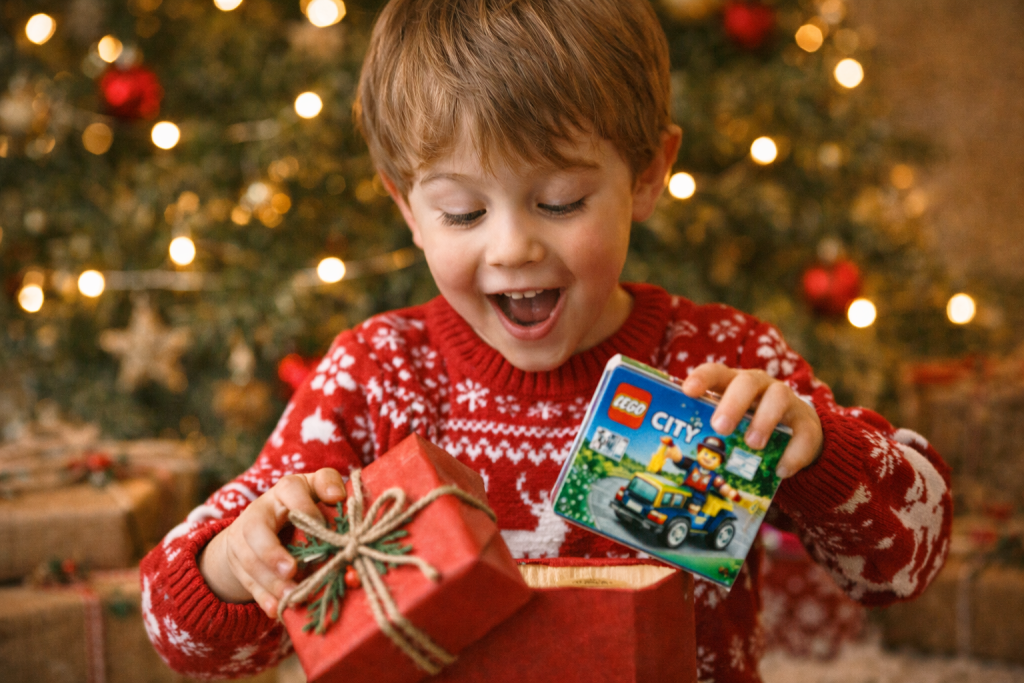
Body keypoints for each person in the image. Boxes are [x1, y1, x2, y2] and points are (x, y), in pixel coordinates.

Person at [140, 1, 952, 680]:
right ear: (406, 208)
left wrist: (819, 452)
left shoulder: (725, 362)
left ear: (646, 173)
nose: (513, 247)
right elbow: (179, 631)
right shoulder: (377, 375)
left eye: (561, 200)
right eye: (463, 212)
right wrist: (239, 559)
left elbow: (905, 564)